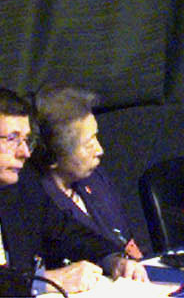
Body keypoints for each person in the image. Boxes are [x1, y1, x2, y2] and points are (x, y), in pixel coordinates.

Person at [0, 86, 145, 295]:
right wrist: (45, 282)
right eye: (12, 139)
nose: (25, 153)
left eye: (27, 140)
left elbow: (68, 232)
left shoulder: (20, 183)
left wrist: (112, 258)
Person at [30, 85, 141, 261]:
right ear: (53, 155)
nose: (100, 150)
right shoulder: (37, 203)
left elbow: (126, 241)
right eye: (88, 144)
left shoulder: (95, 179)